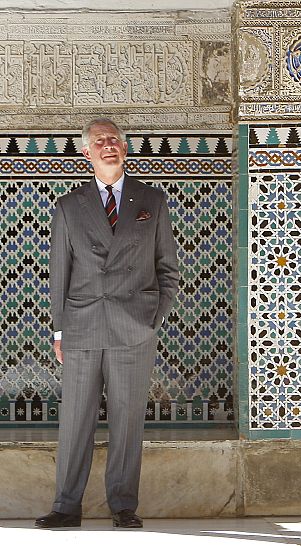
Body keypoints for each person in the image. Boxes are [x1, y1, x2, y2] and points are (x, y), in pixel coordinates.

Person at [35, 118, 180, 529]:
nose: (108, 145)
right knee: (75, 419)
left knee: (128, 418)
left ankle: (123, 506)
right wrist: (58, 331)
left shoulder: (151, 199)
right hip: (81, 326)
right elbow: (59, 273)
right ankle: (66, 506)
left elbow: (167, 268)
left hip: (134, 328)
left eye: (114, 139)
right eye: (99, 141)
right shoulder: (69, 205)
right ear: (86, 153)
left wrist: (152, 318)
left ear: (125, 148)